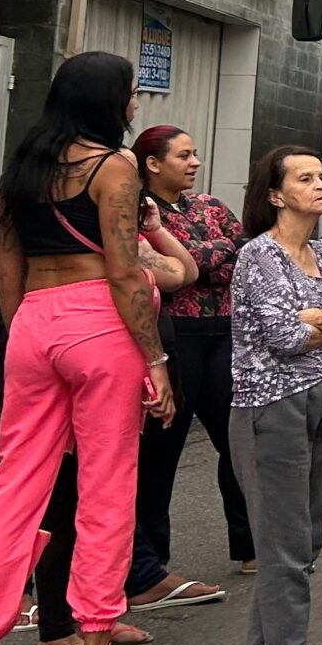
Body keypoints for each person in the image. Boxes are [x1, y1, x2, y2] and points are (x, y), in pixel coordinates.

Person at [0, 53, 170, 645]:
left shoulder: (22, 170)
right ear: (106, 101)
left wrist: (26, 343)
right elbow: (127, 272)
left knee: (15, 493)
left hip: (33, 329)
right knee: (105, 489)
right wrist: (155, 359)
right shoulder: (115, 167)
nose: (135, 106)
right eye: (131, 96)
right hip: (99, 324)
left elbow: (5, 274)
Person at [229, 147, 322, 645]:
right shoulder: (259, 256)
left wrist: (321, 322)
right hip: (270, 406)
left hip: (319, 397)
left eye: (320, 176)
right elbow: (285, 338)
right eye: (304, 178)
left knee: (304, 538)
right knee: (285, 544)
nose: (319, 184)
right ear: (276, 194)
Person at [128, 125, 253, 602]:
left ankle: (249, 544)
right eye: (184, 154)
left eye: (196, 153)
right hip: (175, 337)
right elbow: (170, 279)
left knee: (239, 442)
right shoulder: (140, 212)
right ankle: (150, 564)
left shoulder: (210, 207)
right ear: (153, 163)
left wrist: (197, 260)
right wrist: (206, 259)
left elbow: (239, 256)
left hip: (224, 333)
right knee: (161, 454)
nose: (195, 162)